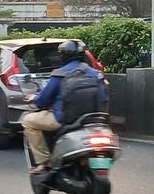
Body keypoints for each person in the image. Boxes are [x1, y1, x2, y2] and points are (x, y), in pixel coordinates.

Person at [22, 40, 106, 174]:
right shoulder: (95, 73)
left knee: (28, 121)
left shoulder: (59, 73)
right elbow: (102, 98)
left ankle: (44, 162)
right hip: (92, 120)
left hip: (63, 119)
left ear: (63, 56)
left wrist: (35, 99)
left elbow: (43, 100)